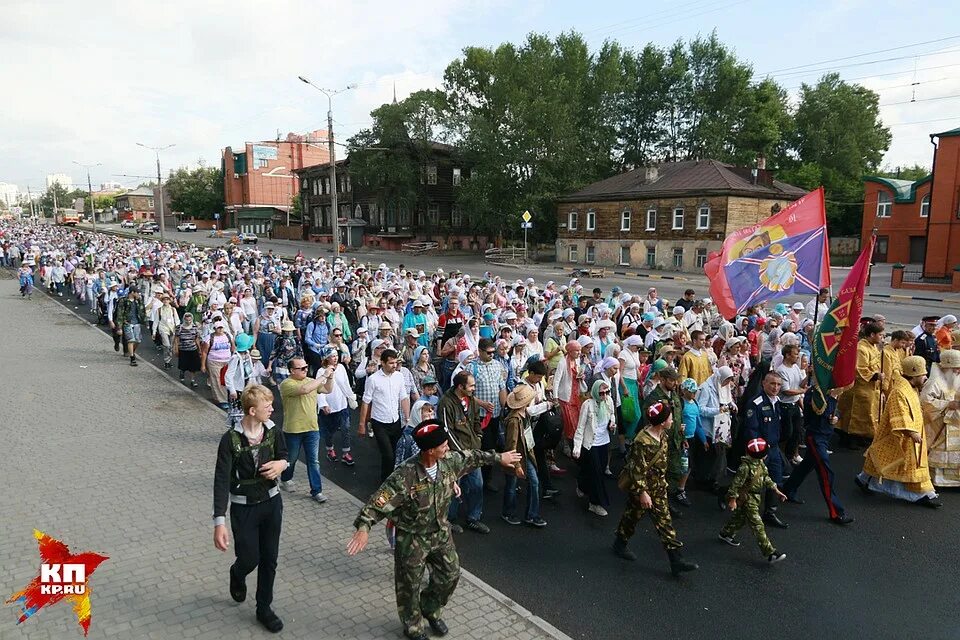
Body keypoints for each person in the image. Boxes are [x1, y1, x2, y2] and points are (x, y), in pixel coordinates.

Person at [347, 420, 521, 640]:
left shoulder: (449, 462)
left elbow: (473, 457)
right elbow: (377, 503)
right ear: (429, 450)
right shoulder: (405, 476)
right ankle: (413, 626)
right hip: (412, 539)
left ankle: (430, 609)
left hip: (440, 533)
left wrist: (499, 458)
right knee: (409, 586)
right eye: (443, 445)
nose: (447, 447)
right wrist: (364, 528)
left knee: (450, 575)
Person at [212, 384, 289, 633]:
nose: (272, 409)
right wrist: (219, 522)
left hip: (271, 502)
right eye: (267, 406)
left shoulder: (273, 431)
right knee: (249, 558)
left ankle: (263, 608)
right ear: (252, 410)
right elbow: (221, 480)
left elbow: (285, 455)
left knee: (270, 559)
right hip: (244, 508)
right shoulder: (230, 439)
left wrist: (281, 465)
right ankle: (237, 572)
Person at [612, 400, 699, 577]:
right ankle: (620, 544)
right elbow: (636, 470)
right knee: (631, 518)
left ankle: (676, 561)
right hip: (642, 490)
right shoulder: (642, 442)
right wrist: (643, 493)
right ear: (661, 422)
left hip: (658, 489)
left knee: (665, 523)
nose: (672, 420)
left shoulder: (663, 435)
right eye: (670, 418)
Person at [857, 355, 940, 507]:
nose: (925, 377)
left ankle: (865, 480)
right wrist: (911, 432)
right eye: (923, 375)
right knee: (891, 459)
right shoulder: (899, 391)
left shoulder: (911, 387)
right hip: (901, 433)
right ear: (914, 374)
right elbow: (899, 412)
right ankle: (919, 494)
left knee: (888, 460)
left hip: (911, 433)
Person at [783, 386, 853, 525]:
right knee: (826, 474)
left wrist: (836, 415)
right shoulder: (814, 393)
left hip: (824, 436)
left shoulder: (830, 390)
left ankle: (788, 489)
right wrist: (832, 398)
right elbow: (818, 413)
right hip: (816, 437)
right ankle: (836, 512)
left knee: (806, 465)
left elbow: (834, 411)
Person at [718, 438, 788, 564]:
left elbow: (765, 477)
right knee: (757, 525)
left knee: (739, 518)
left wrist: (776, 490)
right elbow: (735, 484)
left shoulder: (759, 464)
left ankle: (725, 533)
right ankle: (770, 553)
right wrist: (733, 499)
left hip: (755, 498)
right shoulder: (745, 468)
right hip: (747, 499)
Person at [278, 357, 335, 503]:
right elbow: (304, 390)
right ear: (291, 371)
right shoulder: (286, 384)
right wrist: (324, 375)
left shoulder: (311, 381)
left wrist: (330, 377)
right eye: (301, 368)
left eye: (306, 367)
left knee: (313, 461)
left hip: (312, 428)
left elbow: (328, 389)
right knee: (291, 458)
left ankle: (317, 491)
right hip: (293, 429)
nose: (305, 370)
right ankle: (285, 478)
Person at [439, 371, 489, 533]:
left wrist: (478, 436)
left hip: (473, 451)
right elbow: (447, 430)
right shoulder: (446, 403)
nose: (474, 389)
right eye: (471, 385)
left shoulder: (472, 399)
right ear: (460, 386)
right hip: (456, 455)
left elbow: (476, 420)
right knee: (454, 488)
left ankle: (473, 518)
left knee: (477, 485)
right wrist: (461, 452)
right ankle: (450, 519)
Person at [742, 370, 789, 529]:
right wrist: (758, 452)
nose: (775, 387)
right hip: (760, 450)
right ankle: (728, 495)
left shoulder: (777, 402)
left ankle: (770, 512)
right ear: (764, 383)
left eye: (778, 385)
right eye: (772, 384)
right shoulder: (755, 403)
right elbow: (751, 430)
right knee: (750, 482)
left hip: (774, 449)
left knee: (775, 480)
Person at [359, 349, 412, 481]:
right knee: (388, 455)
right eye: (391, 363)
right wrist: (362, 424)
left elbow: (404, 397)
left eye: (395, 362)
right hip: (379, 422)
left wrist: (408, 417)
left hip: (395, 421)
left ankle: (392, 480)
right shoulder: (373, 379)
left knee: (395, 453)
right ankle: (385, 483)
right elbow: (366, 402)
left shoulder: (399, 377)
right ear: (382, 363)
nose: (394, 366)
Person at [501, 385, 547, 527]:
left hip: (526, 454)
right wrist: (516, 465)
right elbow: (511, 445)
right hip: (518, 458)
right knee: (512, 485)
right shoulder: (514, 421)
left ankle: (531, 515)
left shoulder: (524, 414)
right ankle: (509, 512)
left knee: (533, 483)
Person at [837, 323, 884, 447]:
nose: (882, 337)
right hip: (858, 388)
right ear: (872, 334)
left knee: (865, 413)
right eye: (880, 335)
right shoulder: (861, 348)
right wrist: (875, 376)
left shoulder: (873, 347)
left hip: (870, 388)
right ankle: (848, 438)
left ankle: (860, 436)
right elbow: (859, 369)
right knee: (853, 414)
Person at [573, 380, 616, 516]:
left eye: (606, 392)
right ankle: (595, 503)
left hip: (604, 442)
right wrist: (577, 447)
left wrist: (612, 425)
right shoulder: (587, 405)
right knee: (597, 475)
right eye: (601, 393)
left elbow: (612, 416)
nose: (604, 396)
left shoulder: (609, 401)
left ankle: (581, 485)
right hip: (590, 444)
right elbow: (580, 427)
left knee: (597, 471)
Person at [920, 349, 960, 487]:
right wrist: (947, 404)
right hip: (939, 422)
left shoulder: (952, 377)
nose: (958, 371)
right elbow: (925, 402)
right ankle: (938, 479)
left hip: (954, 421)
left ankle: (954, 480)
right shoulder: (934, 381)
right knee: (940, 450)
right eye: (956, 369)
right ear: (947, 367)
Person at [317, 346, 357, 466]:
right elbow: (319, 389)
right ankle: (330, 449)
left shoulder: (341, 368)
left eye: (336, 355)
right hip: (329, 407)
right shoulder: (321, 371)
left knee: (346, 428)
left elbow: (345, 384)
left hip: (342, 405)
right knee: (329, 431)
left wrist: (350, 396)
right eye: (332, 356)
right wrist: (323, 405)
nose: (335, 358)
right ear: (326, 358)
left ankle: (346, 453)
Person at [115, 287, 146, 366]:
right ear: (132, 292)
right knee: (130, 340)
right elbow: (120, 313)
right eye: (137, 292)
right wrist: (119, 327)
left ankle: (132, 351)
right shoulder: (123, 300)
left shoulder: (139, 301)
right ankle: (132, 358)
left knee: (138, 340)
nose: (138, 294)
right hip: (127, 323)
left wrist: (145, 322)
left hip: (137, 323)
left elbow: (143, 311)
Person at [174, 311, 202, 387]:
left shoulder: (194, 327)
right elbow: (176, 338)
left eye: (190, 320)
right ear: (184, 319)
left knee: (194, 366)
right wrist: (176, 348)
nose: (188, 321)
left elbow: (197, 339)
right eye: (187, 320)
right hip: (183, 349)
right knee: (183, 364)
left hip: (193, 348)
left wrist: (199, 349)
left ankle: (193, 380)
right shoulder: (179, 327)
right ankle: (182, 372)